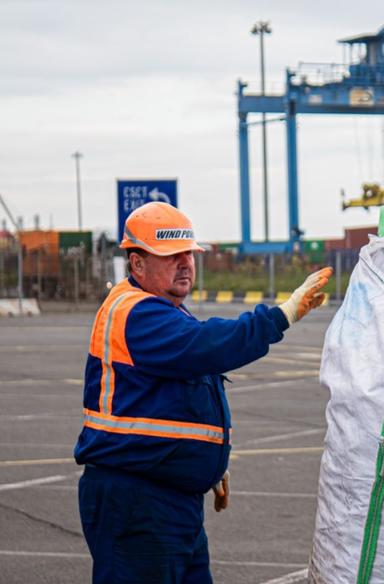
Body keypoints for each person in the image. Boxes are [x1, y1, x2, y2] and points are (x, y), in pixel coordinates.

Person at [73, 202, 332, 583]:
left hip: (170, 498)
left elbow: (175, 394)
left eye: (188, 254)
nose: (184, 263)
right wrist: (282, 315)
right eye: (170, 256)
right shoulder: (137, 312)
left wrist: (206, 461)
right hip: (139, 502)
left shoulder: (164, 310)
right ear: (137, 263)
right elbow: (207, 346)